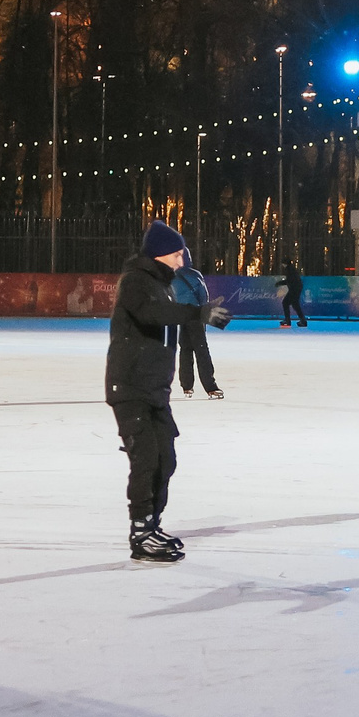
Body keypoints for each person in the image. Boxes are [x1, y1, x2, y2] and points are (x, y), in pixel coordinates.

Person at [107, 221, 232, 563]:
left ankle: (153, 526)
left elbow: (167, 315)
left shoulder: (164, 286)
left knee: (166, 459)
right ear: (161, 254)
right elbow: (151, 315)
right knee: (146, 459)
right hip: (130, 387)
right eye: (177, 254)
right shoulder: (136, 282)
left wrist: (200, 315)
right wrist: (197, 313)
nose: (181, 261)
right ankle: (141, 533)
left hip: (154, 389)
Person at [174, 257, 224, 400]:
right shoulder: (194, 274)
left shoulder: (170, 276)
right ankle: (211, 387)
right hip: (195, 316)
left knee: (185, 350)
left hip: (182, 316)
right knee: (201, 350)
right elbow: (203, 295)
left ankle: (187, 386)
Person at [278, 256, 309, 328]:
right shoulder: (291, 269)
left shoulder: (290, 270)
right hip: (296, 288)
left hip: (294, 289)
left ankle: (288, 320)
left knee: (285, 303)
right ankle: (302, 320)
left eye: (283, 263)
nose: (282, 265)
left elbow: (290, 280)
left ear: (285, 263)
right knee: (295, 304)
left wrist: (281, 283)